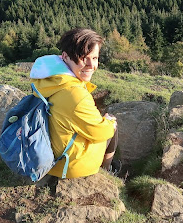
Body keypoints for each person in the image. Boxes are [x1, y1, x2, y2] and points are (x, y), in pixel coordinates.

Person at [29, 28, 118, 178]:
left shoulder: (49, 78)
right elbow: (99, 133)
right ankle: (107, 170)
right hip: (68, 165)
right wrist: (109, 123)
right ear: (65, 56)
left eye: (95, 58)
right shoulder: (75, 94)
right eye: (84, 58)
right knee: (112, 125)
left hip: (45, 153)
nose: (91, 65)